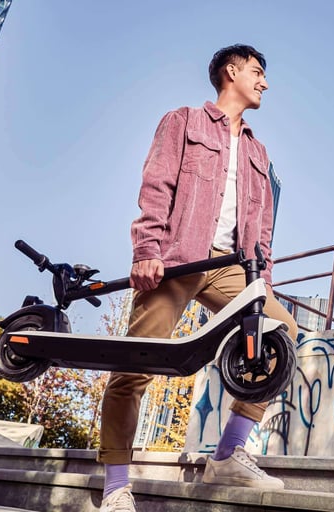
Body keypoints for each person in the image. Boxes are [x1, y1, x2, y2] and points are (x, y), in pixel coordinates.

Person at [98, 44, 298, 512]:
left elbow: (262, 225)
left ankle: (229, 452)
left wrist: (261, 278)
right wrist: (147, 250)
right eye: (257, 72)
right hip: (177, 258)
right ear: (232, 71)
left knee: (281, 334)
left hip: (231, 267)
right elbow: (157, 185)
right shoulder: (182, 121)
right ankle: (115, 485)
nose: (264, 82)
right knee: (135, 364)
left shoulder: (257, 150)